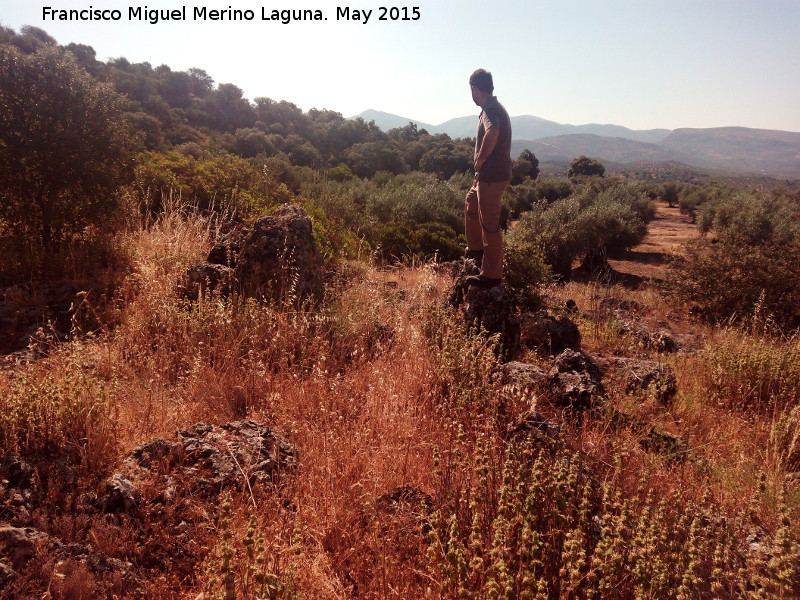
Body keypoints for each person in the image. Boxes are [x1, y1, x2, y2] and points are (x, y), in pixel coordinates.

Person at [464, 68, 512, 289]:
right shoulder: (491, 107)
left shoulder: (491, 110)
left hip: (492, 177)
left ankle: (491, 276)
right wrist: (478, 173)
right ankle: (475, 251)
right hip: (486, 176)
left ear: (475, 89)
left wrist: (480, 159)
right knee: (471, 201)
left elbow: (492, 132)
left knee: (490, 225)